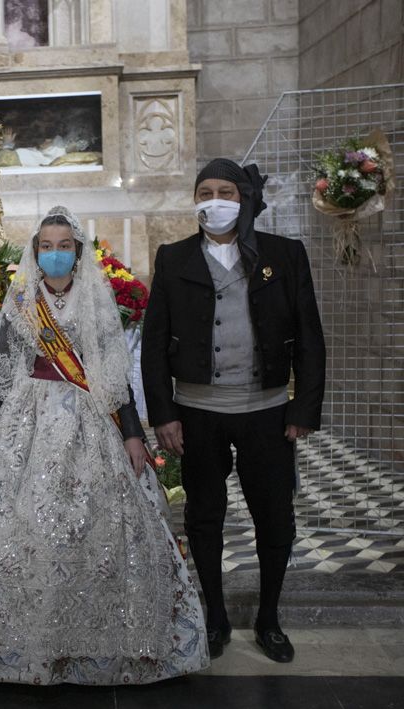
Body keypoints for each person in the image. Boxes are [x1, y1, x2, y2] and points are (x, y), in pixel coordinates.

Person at [0, 207, 209, 685]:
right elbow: (3, 375)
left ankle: (99, 645)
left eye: (64, 246)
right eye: (45, 247)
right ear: (35, 253)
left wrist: (133, 433)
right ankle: (11, 644)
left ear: (78, 252)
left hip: (90, 417)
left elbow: (114, 376)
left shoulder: (95, 296)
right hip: (23, 419)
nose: (54, 255)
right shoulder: (22, 300)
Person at [141, 159, 325, 663]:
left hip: (266, 409)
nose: (214, 200)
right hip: (196, 412)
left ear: (243, 199)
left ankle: (268, 618)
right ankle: (216, 617)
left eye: (225, 191)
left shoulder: (283, 254)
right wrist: (163, 414)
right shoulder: (174, 256)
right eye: (205, 191)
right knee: (204, 516)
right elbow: (154, 342)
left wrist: (302, 407)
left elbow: (309, 334)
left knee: (275, 518)